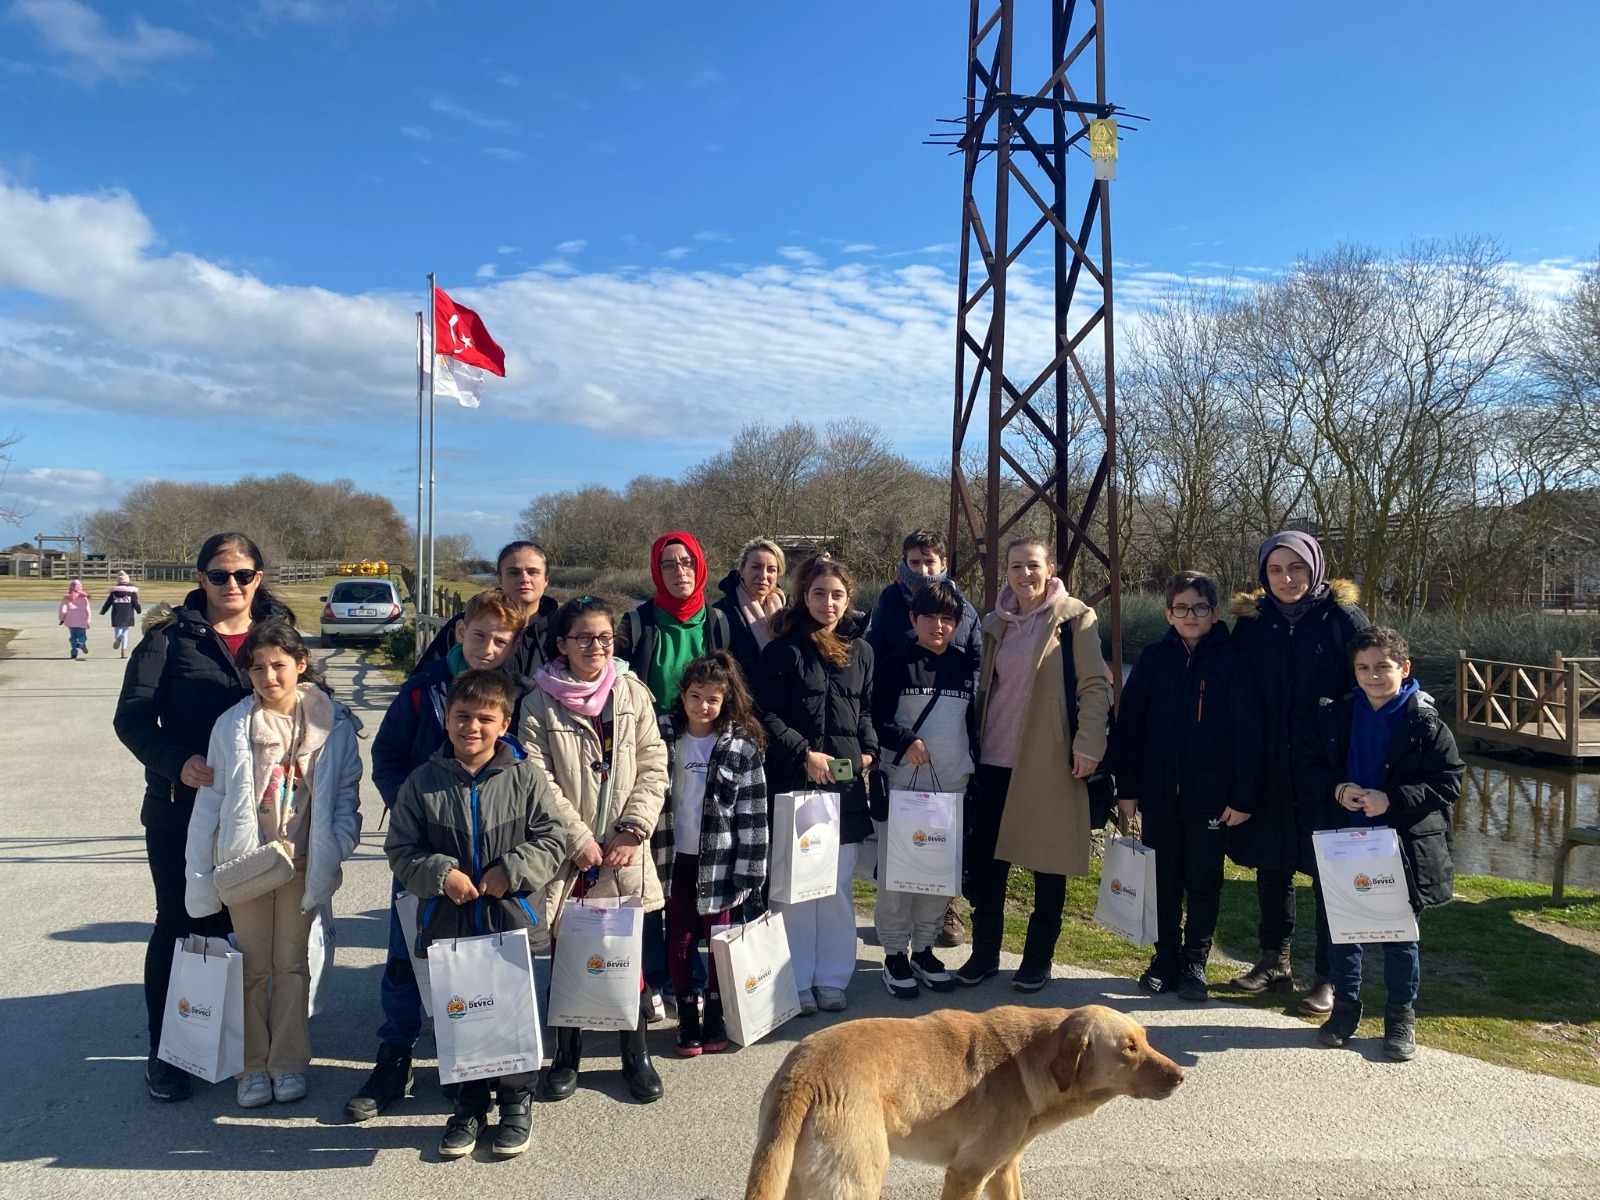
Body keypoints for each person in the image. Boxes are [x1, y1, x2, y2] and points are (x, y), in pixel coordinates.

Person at [114, 532, 297, 1103]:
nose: (233, 586)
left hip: (263, 813)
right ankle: (167, 1051)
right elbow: (133, 719)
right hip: (181, 807)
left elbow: (305, 700)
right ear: (201, 579)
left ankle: (240, 1045)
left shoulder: (277, 634)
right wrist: (177, 762)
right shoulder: (168, 641)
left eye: (243, 574)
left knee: (244, 932)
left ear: (259, 578)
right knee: (181, 925)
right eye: (220, 576)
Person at [346, 588, 527, 1122]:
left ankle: (483, 1062)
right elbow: (387, 755)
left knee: (484, 962)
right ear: (459, 632)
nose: (488, 647)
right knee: (407, 956)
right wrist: (415, 811)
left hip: (491, 854)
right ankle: (394, 1056)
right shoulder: (425, 691)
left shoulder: (513, 699)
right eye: (479, 635)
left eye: (500, 640)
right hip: (425, 851)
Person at [386, 669, 569, 1159]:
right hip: (448, 922)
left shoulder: (525, 778)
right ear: (446, 720)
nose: (472, 727)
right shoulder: (422, 783)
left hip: (509, 917)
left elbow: (553, 840)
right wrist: (441, 874)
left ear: (504, 722)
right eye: (462, 717)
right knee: (460, 1014)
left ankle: (515, 1100)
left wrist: (512, 870)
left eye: (485, 718)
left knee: (510, 1011)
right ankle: (467, 1104)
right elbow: (401, 849)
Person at [184, 621, 363, 1107]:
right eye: (258, 667)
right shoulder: (232, 724)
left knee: (291, 964)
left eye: (279, 665)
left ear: (300, 664)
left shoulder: (334, 722)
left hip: (303, 862)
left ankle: (287, 1063)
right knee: (251, 967)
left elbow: (346, 794)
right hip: (247, 864)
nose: (269, 676)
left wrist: (340, 841)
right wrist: (199, 872)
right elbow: (211, 802)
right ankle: (251, 1068)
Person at [518, 595, 670, 1103]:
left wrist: (633, 829)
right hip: (569, 854)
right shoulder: (539, 701)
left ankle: (635, 1053)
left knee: (628, 957)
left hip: (626, 851)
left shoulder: (631, 692)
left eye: (605, 637)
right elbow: (536, 779)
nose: (596, 646)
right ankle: (567, 1054)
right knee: (570, 954)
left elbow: (654, 766)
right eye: (584, 637)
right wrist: (578, 838)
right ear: (562, 644)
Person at [1294, 627, 1463, 1061]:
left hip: (1401, 849)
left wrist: (1394, 799)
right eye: (1363, 668)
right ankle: (1345, 1010)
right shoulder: (1338, 715)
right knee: (1341, 936)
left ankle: (1400, 1018)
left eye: (1383, 668)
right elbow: (1307, 764)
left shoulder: (1426, 722)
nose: (1372, 676)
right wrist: (1337, 790)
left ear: (1404, 669)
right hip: (1343, 844)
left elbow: (1449, 781)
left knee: (1399, 938)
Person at [958, 536, 1112, 992]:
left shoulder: (1075, 618)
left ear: (1051, 569)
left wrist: (1088, 745)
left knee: (1049, 864)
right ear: (1005, 572)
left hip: (1050, 763)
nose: (1025, 574)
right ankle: (984, 954)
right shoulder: (993, 624)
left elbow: (1094, 687)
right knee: (988, 867)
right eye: (1016, 566)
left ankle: (1037, 960)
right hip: (993, 761)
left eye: (1033, 566)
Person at [1226, 530, 1368, 1015]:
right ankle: (1274, 960)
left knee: (1328, 870)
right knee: (1274, 864)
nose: (1287, 579)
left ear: (1315, 569)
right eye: (1276, 570)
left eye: (1297, 569)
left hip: (1326, 768)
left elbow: (1373, 679)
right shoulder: (1251, 624)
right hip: (1268, 763)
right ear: (1263, 574)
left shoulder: (1342, 619)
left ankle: (1327, 975)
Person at [1108, 571, 1263, 1002]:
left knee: (1203, 881)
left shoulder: (1232, 661)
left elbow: (1250, 733)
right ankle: (1164, 958)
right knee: (1163, 880)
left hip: (1211, 799)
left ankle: (1195, 961)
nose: (1190, 615)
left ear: (1214, 612)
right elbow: (1130, 727)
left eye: (1199, 607)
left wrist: (1242, 795)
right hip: (1159, 795)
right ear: (1168, 613)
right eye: (1181, 608)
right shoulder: (1155, 659)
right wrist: (1128, 787)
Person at [756, 553, 878, 1015]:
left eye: (838, 595)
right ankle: (796, 978)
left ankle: (832, 977)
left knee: (836, 888)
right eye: (820, 593)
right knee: (793, 889)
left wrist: (868, 750)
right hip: (795, 782)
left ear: (849, 600)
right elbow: (765, 715)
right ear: (804, 595)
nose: (829, 603)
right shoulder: (782, 650)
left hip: (844, 787)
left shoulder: (861, 652)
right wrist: (802, 754)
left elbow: (865, 711)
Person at [616, 532, 730, 1016]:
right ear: (655, 571)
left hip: (705, 748)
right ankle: (654, 979)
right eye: (668, 564)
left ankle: (697, 976)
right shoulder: (639, 622)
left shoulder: (719, 620)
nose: (679, 571)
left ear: (700, 565)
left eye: (687, 562)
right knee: (652, 869)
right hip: (649, 750)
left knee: (695, 865)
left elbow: (732, 683)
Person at [865, 529, 983, 951]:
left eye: (947, 620)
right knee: (898, 871)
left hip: (952, 784)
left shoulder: (965, 665)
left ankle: (925, 948)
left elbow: (975, 716)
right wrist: (903, 740)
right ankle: (895, 950)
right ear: (914, 620)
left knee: (938, 874)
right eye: (930, 618)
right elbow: (875, 714)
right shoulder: (895, 659)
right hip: (905, 783)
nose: (939, 626)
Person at [653, 651, 769, 1056]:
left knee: (718, 938)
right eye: (695, 696)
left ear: (726, 700)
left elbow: (753, 810)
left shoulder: (741, 743)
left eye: (712, 699)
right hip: (673, 857)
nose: (703, 706)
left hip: (720, 859)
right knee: (680, 938)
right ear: (682, 696)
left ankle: (716, 1012)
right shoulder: (664, 734)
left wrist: (751, 870)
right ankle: (687, 1012)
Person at [418, 540, 559, 677]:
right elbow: (422, 684)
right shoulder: (470, 624)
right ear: (500, 578)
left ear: (546, 579)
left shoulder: (561, 630)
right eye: (514, 573)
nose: (524, 579)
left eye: (533, 572)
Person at [711, 536, 787, 683]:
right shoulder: (721, 615)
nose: (763, 575)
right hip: (742, 702)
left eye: (771, 569)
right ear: (742, 570)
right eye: (756, 567)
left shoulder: (788, 613)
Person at [102, 571, 142, 658]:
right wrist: (138, 610)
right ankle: (124, 651)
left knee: (118, 629)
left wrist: (103, 611)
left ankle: (118, 638)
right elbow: (135, 603)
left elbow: (108, 603)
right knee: (125, 632)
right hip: (127, 614)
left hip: (117, 614)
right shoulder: (132, 593)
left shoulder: (114, 593)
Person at [59, 579, 91, 658]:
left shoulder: (66, 598)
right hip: (82, 619)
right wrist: (88, 619)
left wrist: (62, 619)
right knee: (82, 635)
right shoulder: (84, 598)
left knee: (73, 636)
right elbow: (87, 609)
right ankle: (81, 643)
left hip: (70, 620)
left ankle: (73, 651)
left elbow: (63, 610)